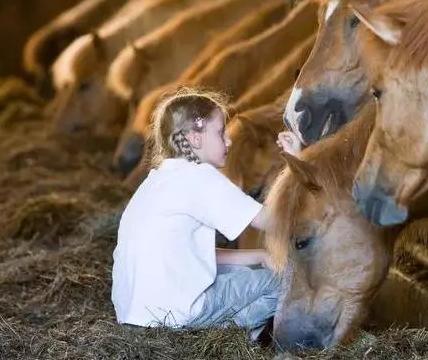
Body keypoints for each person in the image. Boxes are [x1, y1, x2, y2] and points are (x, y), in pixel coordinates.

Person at [111, 87, 303, 342]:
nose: (229, 141)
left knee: (248, 274)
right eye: (221, 132)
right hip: (177, 313)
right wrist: (296, 163)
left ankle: (224, 337)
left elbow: (185, 256)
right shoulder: (200, 177)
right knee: (283, 283)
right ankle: (239, 340)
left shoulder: (156, 181)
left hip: (134, 313)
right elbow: (278, 223)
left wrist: (259, 255)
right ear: (195, 138)